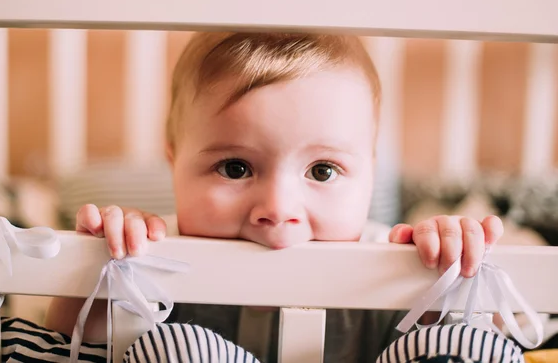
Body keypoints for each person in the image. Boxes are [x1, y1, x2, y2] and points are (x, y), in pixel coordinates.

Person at [45, 32, 504, 362]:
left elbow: (494, 340)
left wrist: (458, 274)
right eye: (235, 168)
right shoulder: (150, 255)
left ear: (372, 169)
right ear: (173, 160)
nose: (279, 210)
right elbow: (68, 342)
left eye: (322, 170)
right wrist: (95, 269)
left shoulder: (396, 261)